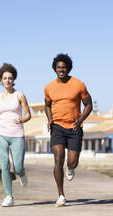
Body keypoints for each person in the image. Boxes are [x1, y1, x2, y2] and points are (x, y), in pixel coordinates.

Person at [44, 54, 92, 207]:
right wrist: (50, 119)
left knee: (72, 161)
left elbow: (88, 105)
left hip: (74, 127)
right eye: (58, 67)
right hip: (57, 126)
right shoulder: (49, 87)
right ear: (55, 69)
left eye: (64, 67)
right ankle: (61, 195)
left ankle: (71, 168)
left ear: (68, 68)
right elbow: (47, 105)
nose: (61, 70)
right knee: (58, 158)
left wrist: (81, 119)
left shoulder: (79, 84)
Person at [0, 63, 31, 207]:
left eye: (10, 78)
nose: (7, 80)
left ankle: (22, 173)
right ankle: (9, 197)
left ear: (13, 80)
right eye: (5, 78)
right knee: (4, 165)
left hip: (17, 135)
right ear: (1, 80)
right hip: (1, 135)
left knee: (17, 167)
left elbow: (28, 115)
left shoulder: (19, 95)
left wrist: (21, 119)